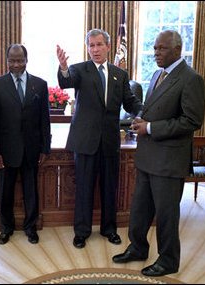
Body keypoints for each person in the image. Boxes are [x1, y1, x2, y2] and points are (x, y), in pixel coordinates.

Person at [112, 30, 205, 277]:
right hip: (147, 157)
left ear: (177, 49)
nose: (155, 53)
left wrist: (150, 127)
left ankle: (168, 261)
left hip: (169, 161)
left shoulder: (190, 78)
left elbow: (192, 121)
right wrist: (142, 119)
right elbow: (155, 109)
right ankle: (138, 248)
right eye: (154, 48)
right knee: (139, 209)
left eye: (161, 48)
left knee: (166, 215)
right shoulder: (157, 75)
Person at [56, 29, 143, 249]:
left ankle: (109, 229)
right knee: (84, 188)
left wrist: (143, 113)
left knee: (109, 188)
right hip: (85, 141)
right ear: (87, 48)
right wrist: (64, 67)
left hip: (109, 142)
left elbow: (130, 101)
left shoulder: (119, 74)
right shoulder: (79, 70)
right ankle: (82, 232)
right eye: (91, 45)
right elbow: (66, 81)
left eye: (99, 45)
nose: (95, 49)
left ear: (108, 46)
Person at [0, 44, 51, 245]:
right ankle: (6, 228)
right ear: (6, 61)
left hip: (32, 150)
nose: (16, 64)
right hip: (6, 151)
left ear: (26, 60)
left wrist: (44, 148)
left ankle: (30, 228)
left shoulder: (39, 85)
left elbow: (44, 120)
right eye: (12, 60)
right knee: (5, 192)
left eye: (20, 60)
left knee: (31, 191)